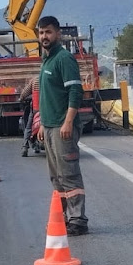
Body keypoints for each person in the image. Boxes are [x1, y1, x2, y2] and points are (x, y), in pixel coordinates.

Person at [36, 16, 88, 236]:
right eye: (41, 33)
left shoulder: (64, 58)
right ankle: (64, 218)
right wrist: (42, 124)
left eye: (48, 32)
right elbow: (47, 95)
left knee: (69, 174)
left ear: (58, 33)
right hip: (49, 126)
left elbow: (75, 92)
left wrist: (68, 122)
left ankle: (78, 220)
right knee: (56, 176)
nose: (44, 37)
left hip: (62, 126)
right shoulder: (47, 60)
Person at [19, 76, 40, 157]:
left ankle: (25, 147)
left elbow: (25, 93)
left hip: (36, 109)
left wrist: (21, 98)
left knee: (28, 126)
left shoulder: (35, 80)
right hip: (49, 109)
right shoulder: (51, 78)